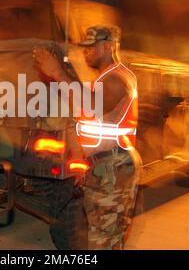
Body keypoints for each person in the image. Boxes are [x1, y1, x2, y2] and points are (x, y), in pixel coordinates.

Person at [33, 25, 140, 249]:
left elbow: (93, 107)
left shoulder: (118, 78)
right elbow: (81, 119)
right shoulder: (101, 79)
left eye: (91, 47)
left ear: (107, 46)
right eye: (84, 47)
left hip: (114, 167)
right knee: (102, 237)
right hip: (101, 166)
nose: (85, 52)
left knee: (103, 241)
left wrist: (58, 73)